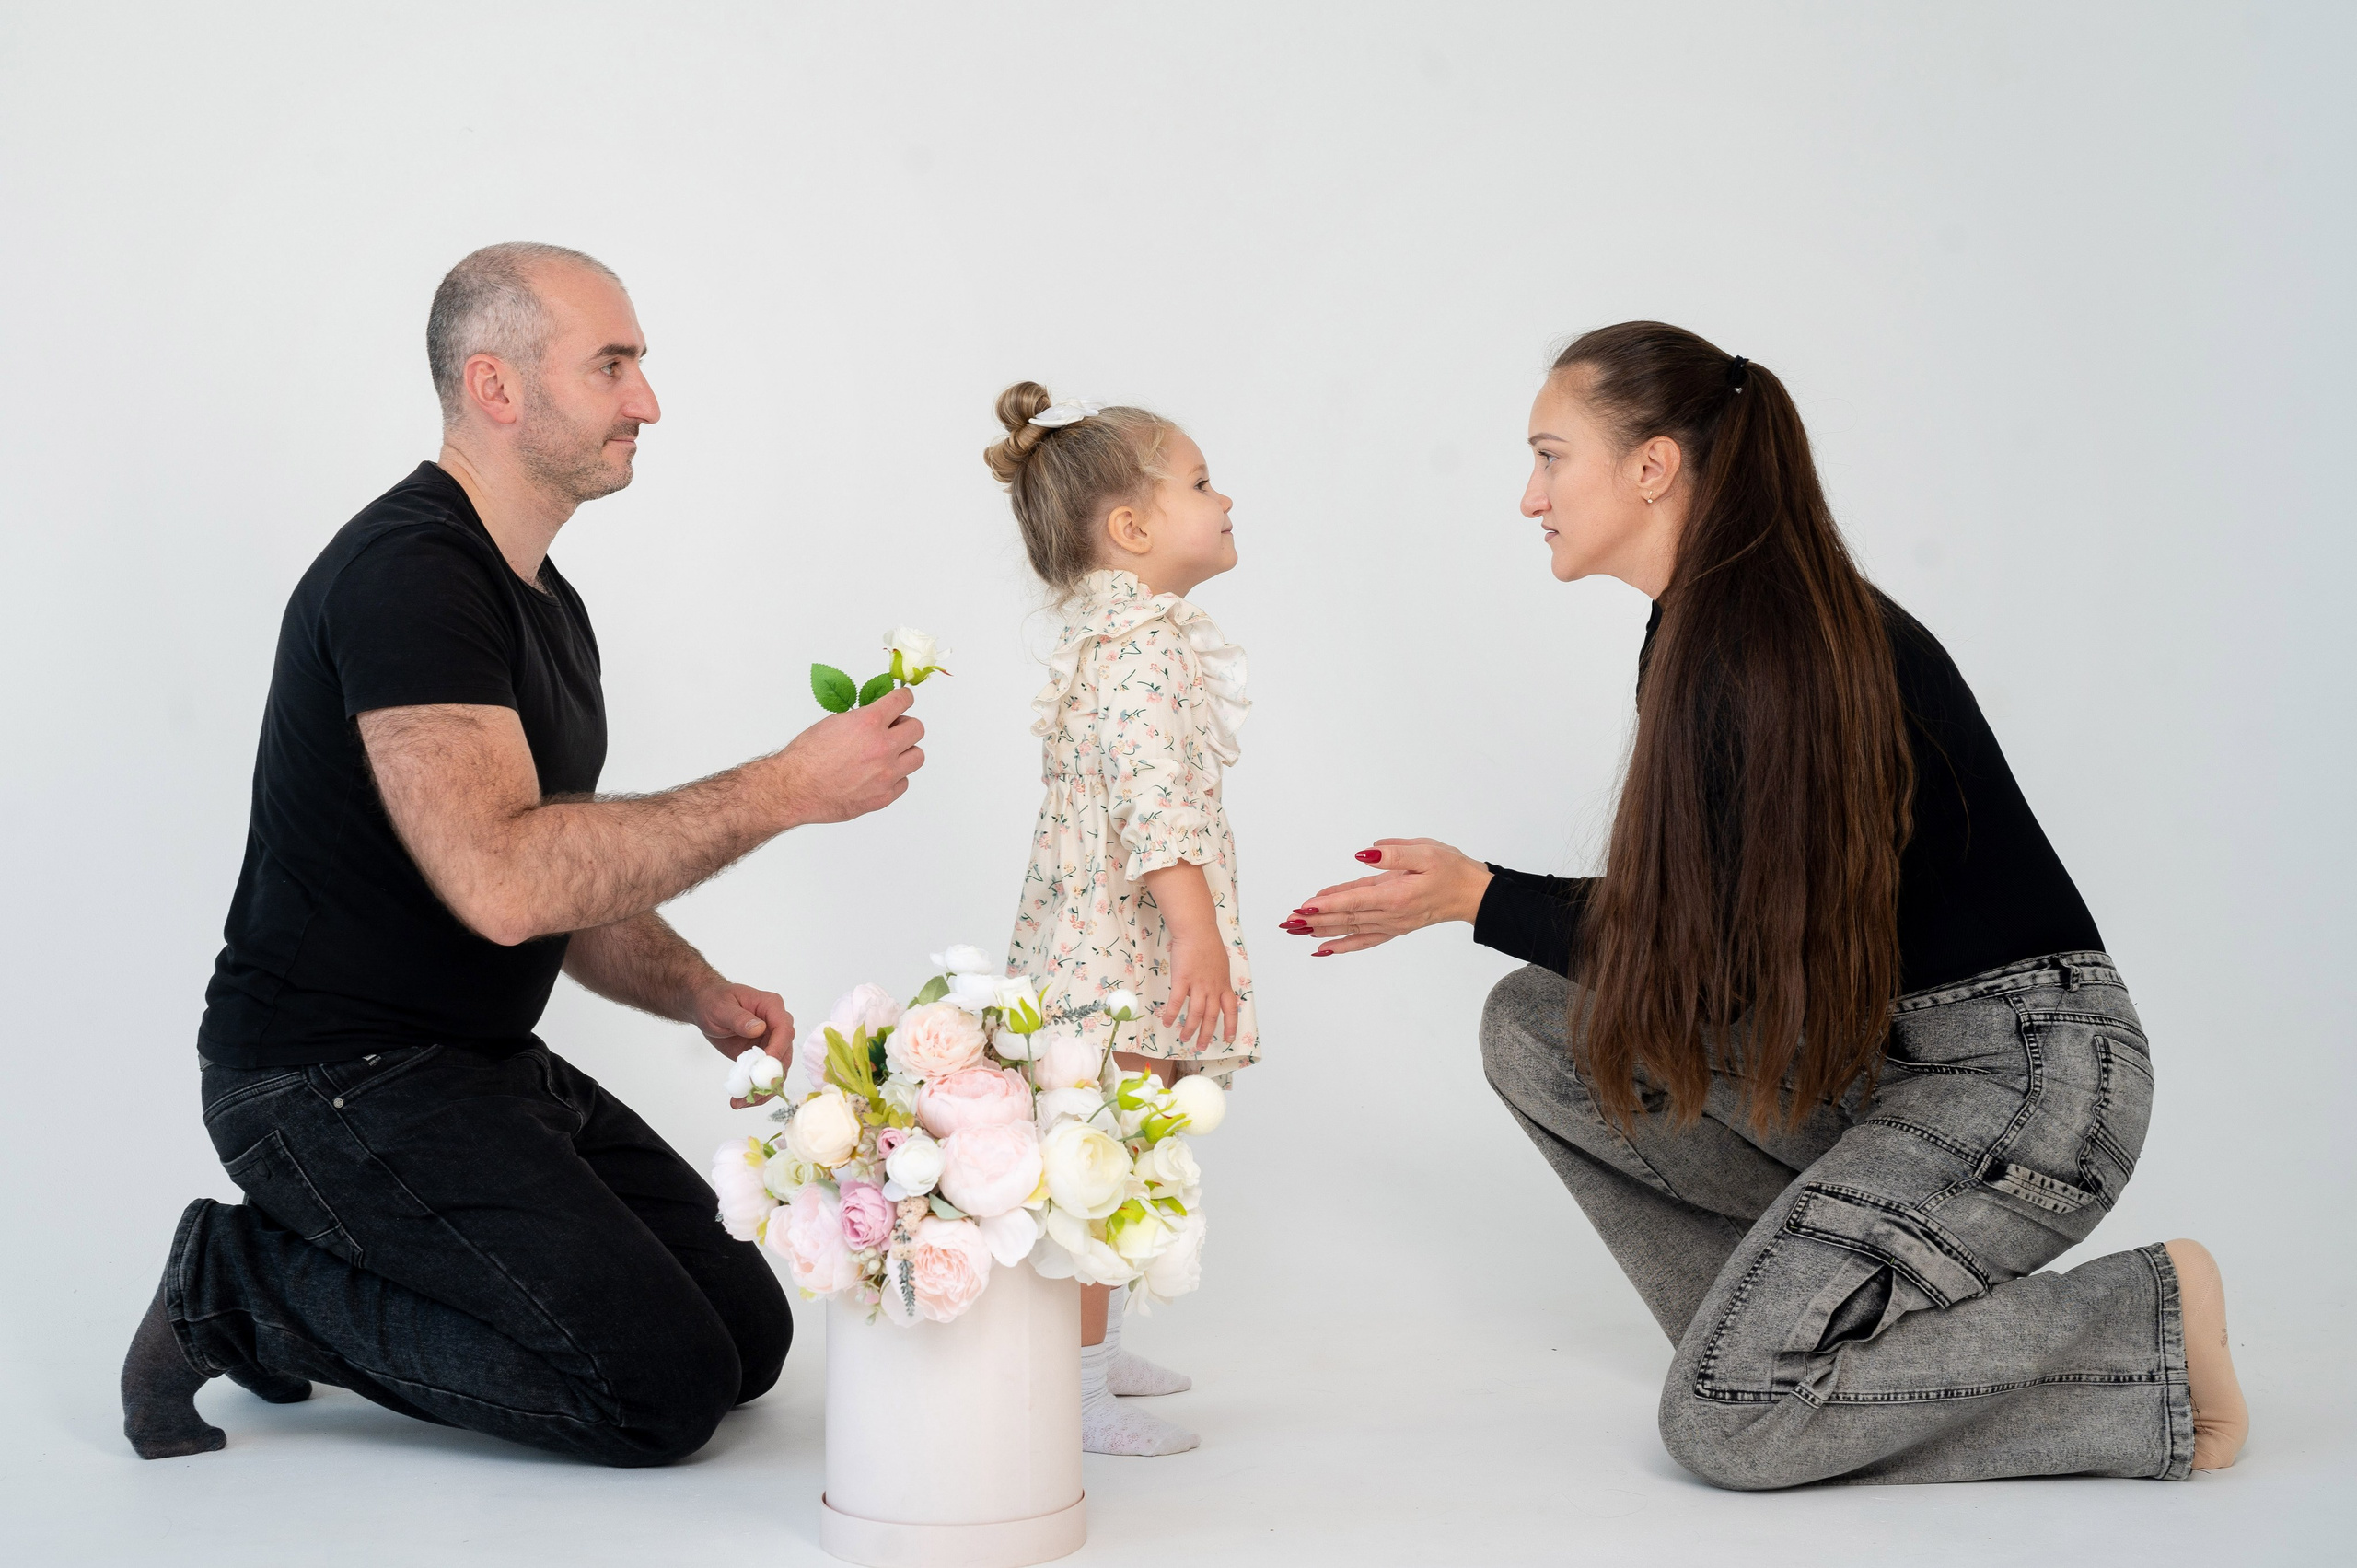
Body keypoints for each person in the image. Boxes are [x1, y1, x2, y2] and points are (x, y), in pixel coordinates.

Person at [1283, 322, 2248, 1487]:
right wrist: (1475, 901)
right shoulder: (1702, 627)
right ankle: (1785, 1345)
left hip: (2024, 1080)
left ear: (1651, 466)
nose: (1527, 495)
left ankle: (2139, 1326)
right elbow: (1713, 932)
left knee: (1726, 1423)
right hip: (1883, 1057)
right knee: (1537, 1023)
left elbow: (1709, 962)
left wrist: (1474, 893)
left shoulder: (1766, 645)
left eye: (1549, 456)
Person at [120, 242, 927, 1464]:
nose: (647, 399)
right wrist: (784, 787)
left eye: (640, 365)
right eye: (612, 365)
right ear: (495, 387)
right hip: (326, 1083)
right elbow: (503, 883)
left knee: (749, 1335)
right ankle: (239, 1285)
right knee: (657, 1391)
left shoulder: (542, 597)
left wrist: (695, 986)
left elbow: (566, 872)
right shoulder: (409, 578)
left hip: (476, 1063)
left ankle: (354, 1265)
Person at [986, 382, 1256, 1457]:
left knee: (1115, 1153)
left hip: (1089, 944)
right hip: (1121, 955)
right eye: (1199, 481)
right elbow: (1156, 811)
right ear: (1132, 529)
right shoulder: (1141, 648)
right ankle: (1075, 1386)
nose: (1225, 495)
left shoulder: (1117, 638)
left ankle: (1087, 1354)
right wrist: (1198, 933)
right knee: (1102, 1169)